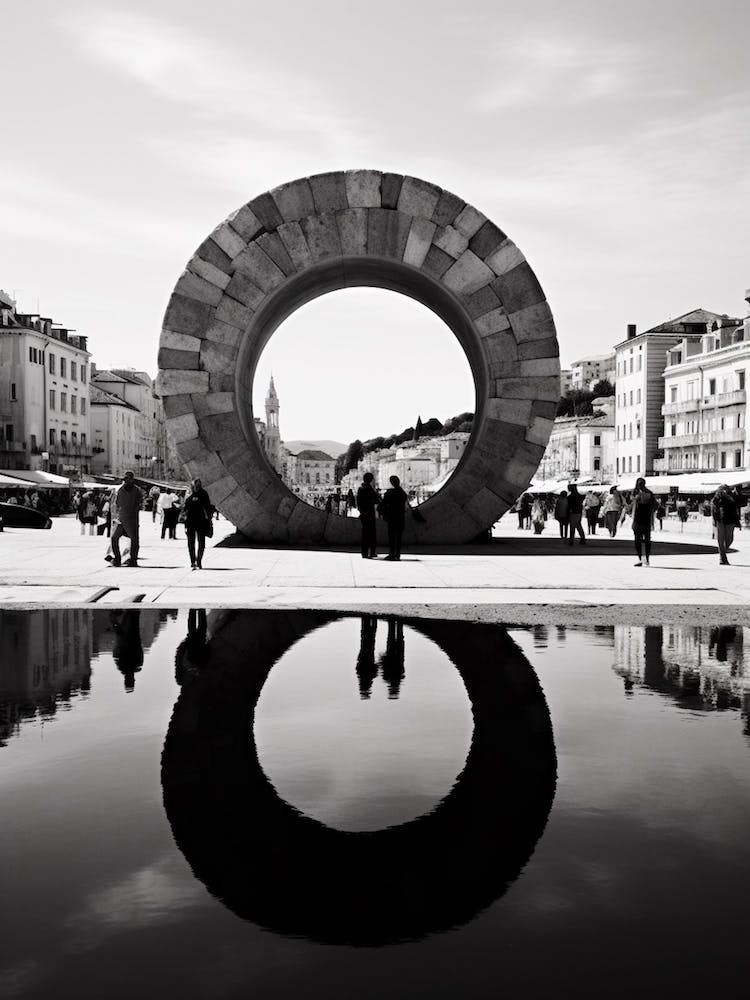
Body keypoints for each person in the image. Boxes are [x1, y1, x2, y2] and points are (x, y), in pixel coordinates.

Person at [111, 471, 143, 567]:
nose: (126, 481)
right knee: (114, 538)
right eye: (125, 479)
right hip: (122, 519)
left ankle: (133, 560)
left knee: (134, 540)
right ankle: (117, 559)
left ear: (132, 479)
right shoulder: (121, 490)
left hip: (131, 519)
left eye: (127, 479)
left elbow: (138, 504)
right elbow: (117, 503)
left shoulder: (136, 491)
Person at [623, 477, 657, 567]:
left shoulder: (637, 493)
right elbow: (655, 506)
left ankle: (642, 559)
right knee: (646, 540)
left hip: (639, 518)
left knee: (639, 540)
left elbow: (630, 505)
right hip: (644, 518)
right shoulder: (648, 493)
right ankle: (645, 559)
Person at [184, 477, 214, 570]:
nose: (197, 485)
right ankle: (194, 561)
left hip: (199, 522)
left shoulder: (202, 493)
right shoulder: (189, 493)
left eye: (198, 484)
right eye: (196, 483)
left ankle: (198, 561)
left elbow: (208, 507)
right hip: (192, 522)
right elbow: (185, 507)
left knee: (200, 543)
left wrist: (209, 519)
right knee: (192, 543)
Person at [378, 475, 409, 561]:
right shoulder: (402, 493)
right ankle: (397, 554)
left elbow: (384, 503)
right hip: (400, 517)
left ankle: (392, 553)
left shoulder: (390, 493)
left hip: (392, 517)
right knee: (398, 537)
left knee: (391, 536)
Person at [711, 484, 740, 565]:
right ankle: (722, 558)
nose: (724, 491)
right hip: (720, 521)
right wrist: (714, 521)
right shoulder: (716, 498)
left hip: (730, 521)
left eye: (725, 489)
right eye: (722, 490)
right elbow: (713, 509)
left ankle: (723, 552)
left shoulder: (732, 497)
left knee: (729, 539)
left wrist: (734, 496)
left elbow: (739, 504)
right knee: (720, 540)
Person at [356, 472, 380, 559]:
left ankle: (364, 552)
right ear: (370, 480)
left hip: (364, 514)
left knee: (365, 534)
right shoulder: (370, 489)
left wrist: (362, 511)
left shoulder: (360, 489)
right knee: (372, 533)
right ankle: (372, 552)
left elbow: (358, 502)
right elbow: (377, 499)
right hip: (370, 513)